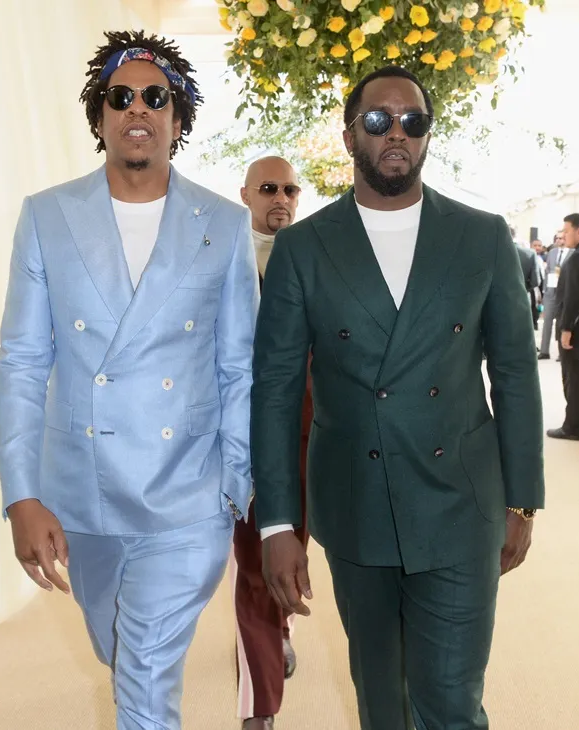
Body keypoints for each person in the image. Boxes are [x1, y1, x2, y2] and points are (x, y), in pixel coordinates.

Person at [250, 65, 545, 730]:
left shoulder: (481, 235)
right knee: (382, 701)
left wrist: (523, 495)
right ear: (350, 132)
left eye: (412, 121)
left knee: (450, 700)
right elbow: (273, 393)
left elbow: (515, 374)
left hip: (460, 501)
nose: (396, 133)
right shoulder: (303, 248)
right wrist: (276, 524)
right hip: (356, 504)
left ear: (428, 136)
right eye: (379, 119)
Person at [0, 30, 257, 729]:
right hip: (85, 494)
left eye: (155, 97)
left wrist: (238, 482)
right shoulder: (46, 216)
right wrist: (22, 495)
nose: (137, 108)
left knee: (142, 669)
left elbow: (239, 365)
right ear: (99, 113)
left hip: (188, 493)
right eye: (121, 96)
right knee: (118, 651)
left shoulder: (225, 226)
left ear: (178, 116)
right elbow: (22, 360)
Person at [231, 156, 312, 730]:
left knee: (289, 556)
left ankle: (277, 628)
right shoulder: (222, 258)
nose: (279, 198)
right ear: (246, 195)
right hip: (242, 439)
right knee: (256, 565)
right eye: (267, 188)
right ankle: (260, 710)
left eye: (288, 189)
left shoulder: (316, 256)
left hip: (308, 438)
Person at [548, 213, 579, 440]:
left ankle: (572, 426)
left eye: (567, 230)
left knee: (572, 378)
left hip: (575, 330)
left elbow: (573, 297)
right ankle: (578, 422)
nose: (563, 235)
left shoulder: (577, 259)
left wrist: (566, 329)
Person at [538, 232, 570, 360]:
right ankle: (544, 351)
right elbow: (547, 272)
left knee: (561, 323)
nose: (559, 240)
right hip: (550, 292)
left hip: (565, 293)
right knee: (547, 322)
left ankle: (561, 353)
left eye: (561, 238)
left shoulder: (572, 253)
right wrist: (545, 290)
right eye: (557, 238)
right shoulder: (552, 253)